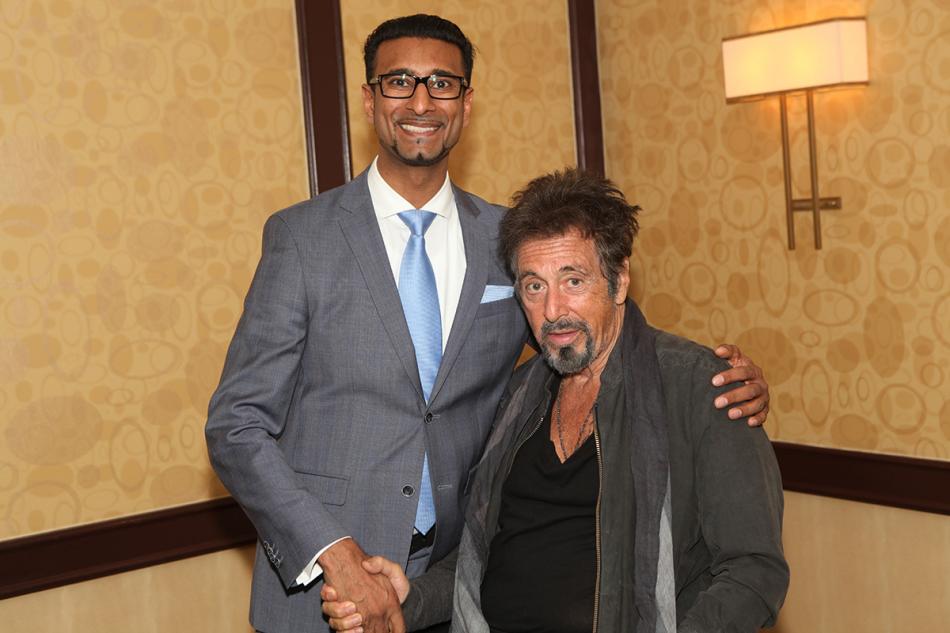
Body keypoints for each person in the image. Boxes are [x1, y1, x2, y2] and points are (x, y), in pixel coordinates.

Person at [205, 15, 772, 633]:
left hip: (454, 586)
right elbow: (237, 424)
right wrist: (333, 553)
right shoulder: (302, 237)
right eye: (399, 81)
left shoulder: (507, 240)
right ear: (369, 100)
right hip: (325, 593)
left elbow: (591, 336)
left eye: (442, 83)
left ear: (466, 103)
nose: (421, 102)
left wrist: (717, 382)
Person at [321, 169, 789, 633]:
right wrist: (408, 600)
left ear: (620, 278)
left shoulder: (701, 387)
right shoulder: (519, 397)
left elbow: (754, 572)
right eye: (534, 286)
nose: (552, 310)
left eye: (573, 281)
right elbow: (482, 556)